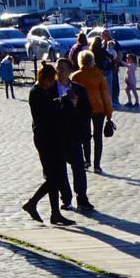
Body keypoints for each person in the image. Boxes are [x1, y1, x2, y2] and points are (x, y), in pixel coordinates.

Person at [24, 62, 72, 226]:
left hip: (51, 137)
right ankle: (33, 203)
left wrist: (61, 101)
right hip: (46, 139)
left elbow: (51, 106)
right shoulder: (36, 93)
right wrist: (64, 102)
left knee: (55, 176)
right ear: (46, 79)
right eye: (52, 81)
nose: (53, 84)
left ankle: (54, 212)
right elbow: (49, 113)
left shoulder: (42, 91)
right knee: (54, 176)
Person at [54, 56, 93, 212]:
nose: (59, 71)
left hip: (74, 134)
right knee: (60, 169)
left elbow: (87, 111)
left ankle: (82, 198)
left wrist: (76, 106)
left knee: (78, 167)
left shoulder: (79, 89)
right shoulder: (50, 89)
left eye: (62, 68)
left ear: (70, 71)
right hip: (57, 135)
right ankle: (66, 199)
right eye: (57, 68)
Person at [74, 49, 112, 172]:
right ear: (92, 61)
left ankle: (87, 161)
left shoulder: (76, 76)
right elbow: (106, 95)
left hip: (82, 109)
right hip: (98, 107)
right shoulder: (98, 75)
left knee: (85, 136)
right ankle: (97, 165)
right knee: (97, 137)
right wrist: (109, 112)